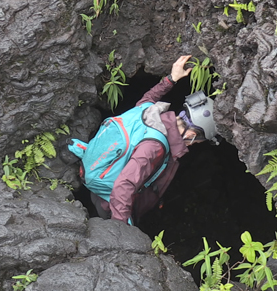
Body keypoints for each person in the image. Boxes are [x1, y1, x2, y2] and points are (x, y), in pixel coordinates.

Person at [72, 55, 218, 225]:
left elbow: (149, 97)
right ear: (192, 135)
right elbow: (123, 186)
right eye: (197, 142)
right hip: (109, 200)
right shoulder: (154, 147)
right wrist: (120, 230)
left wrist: (172, 79)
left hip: (101, 172)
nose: (193, 145)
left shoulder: (149, 111)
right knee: (103, 219)